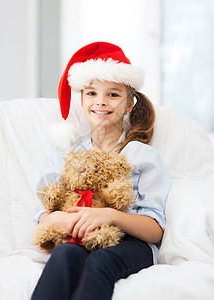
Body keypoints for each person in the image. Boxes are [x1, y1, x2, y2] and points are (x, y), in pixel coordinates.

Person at [31, 42, 171, 300]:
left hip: (131, 243)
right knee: (63, 254)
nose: (101, 102)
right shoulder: (67, 153)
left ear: (129, 104)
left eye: (113, 95)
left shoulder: (143, 156)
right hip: (80, 236)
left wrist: (108, 215)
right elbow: (43, 213)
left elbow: (155, 230)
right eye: (92, 93)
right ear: (82, 99)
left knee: (98, 263)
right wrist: (61, 219)